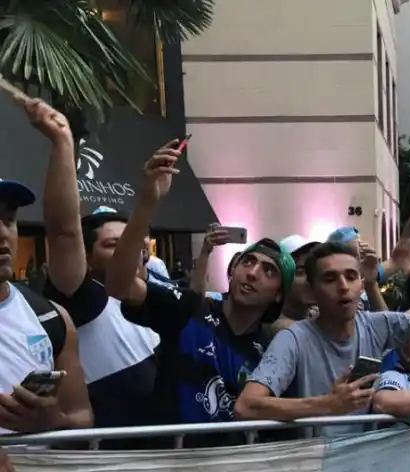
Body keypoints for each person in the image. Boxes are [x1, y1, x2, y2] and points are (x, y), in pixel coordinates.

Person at [104, 141, 295, 433]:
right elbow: (119, 285)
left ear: (280, 293)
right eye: (248, 262)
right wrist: (147, 202)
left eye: (269, 271)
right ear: (232, 271)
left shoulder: (273, 351)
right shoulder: (189, 308)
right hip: (171, 465)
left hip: (237, 470)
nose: (253, 273)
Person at [236, 239, 410, 434]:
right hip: (313, 470)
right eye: (329, 279)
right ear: (311, 290)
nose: (342, 286)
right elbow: (246, 406)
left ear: (361, 284)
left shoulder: (377, 325)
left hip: (362, 467)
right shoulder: (293, 339)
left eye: (351, 276)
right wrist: (326, 404)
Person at [20, 99, 157, 429]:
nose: (130, 252)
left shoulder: (160, 302)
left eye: (135, 243)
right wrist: (63, 141)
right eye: (113, 245)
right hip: (112, 468)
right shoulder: (85, 301)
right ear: (89, 257)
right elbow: (64, 233)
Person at [0, 178, 93, 435]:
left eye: (8, 220)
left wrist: (55, 421)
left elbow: (82, 416)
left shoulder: (51, 317)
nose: (3, 233)